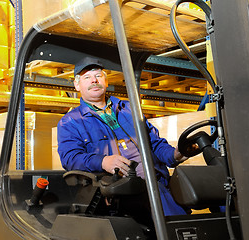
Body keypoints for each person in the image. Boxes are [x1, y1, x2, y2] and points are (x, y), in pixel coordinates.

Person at [57, 56, 189, 217]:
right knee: (164, 204)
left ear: (105, 81)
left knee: (207, 189)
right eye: (87, 77)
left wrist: (175, 154)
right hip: (121, 188)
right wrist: (103, 161)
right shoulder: (71, 121)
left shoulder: (129, 109)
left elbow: (154, 143)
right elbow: (70, 158)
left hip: (157, 179)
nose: (94, 80)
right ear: (77, 85)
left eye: (98, 76)